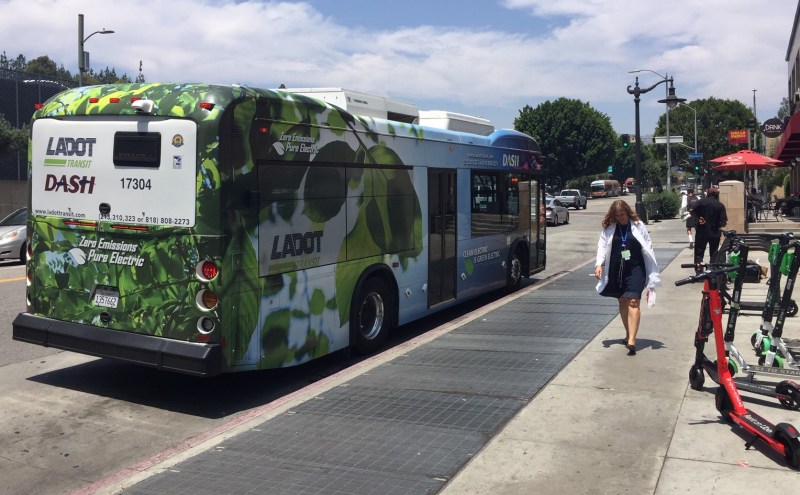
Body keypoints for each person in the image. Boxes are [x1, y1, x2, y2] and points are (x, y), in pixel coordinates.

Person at [594, 200, 661, 356]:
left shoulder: (638, 225)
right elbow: (602, 246)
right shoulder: (610, 227)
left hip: (636, 268)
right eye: (617, 215)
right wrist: (599, 264)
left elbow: (648, 245)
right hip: (617, 269)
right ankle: (628, 332)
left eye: (622, 214)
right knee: (622, 300)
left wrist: (652, 270)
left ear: (627, 212)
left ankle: (632, 339)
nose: (620, 218)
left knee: (633, 301)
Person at [693, 187, 728, 266]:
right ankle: (713, 268)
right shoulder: (720, 205)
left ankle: (699, 269)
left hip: (701, 232)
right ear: (717, 195)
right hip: (715, 233)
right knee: (714, 252)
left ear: (708, 194)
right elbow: (723, 223)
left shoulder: (700, 202)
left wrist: (698, 218)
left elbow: (692, 210)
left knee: (699, 252)